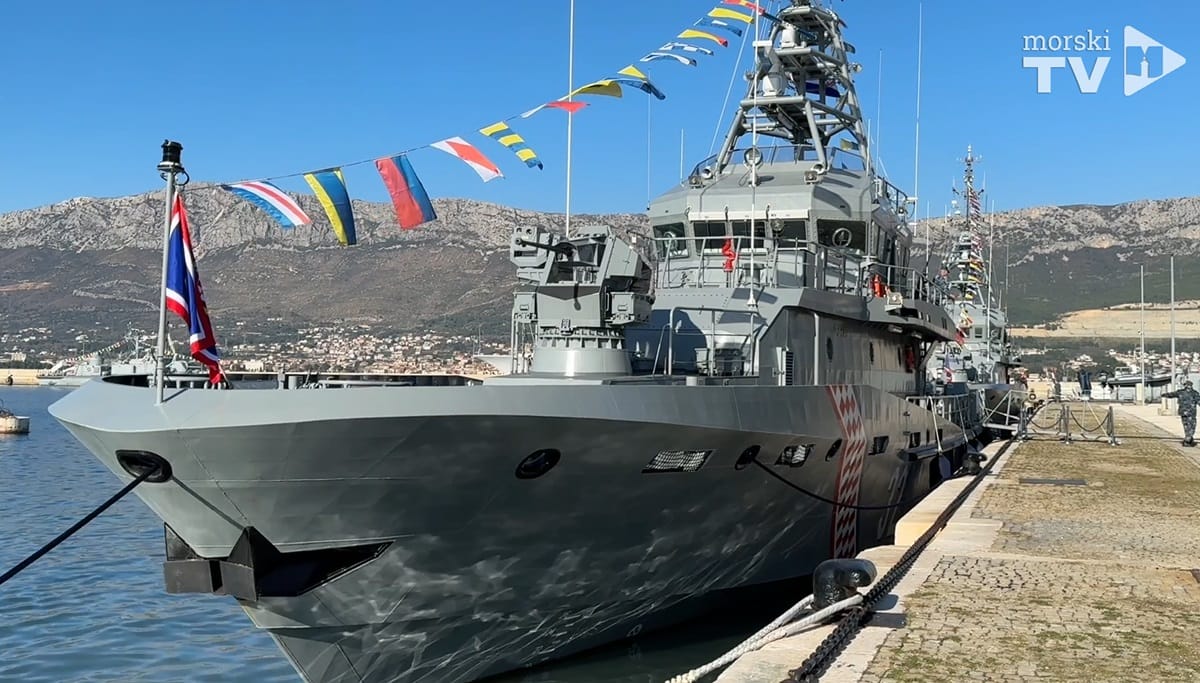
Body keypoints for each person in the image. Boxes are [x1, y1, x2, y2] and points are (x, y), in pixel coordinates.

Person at [1161, 380, 1200, 446]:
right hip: (1191, 413)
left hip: (1183, 412)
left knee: (1186, 426)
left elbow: (1172, 394)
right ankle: (1188, 439)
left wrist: (1164, 395)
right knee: (1192, 426)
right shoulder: (1195, 393)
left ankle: (1188, 438)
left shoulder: (1180, 392)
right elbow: (1199, 401)